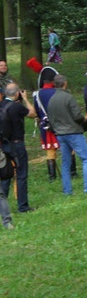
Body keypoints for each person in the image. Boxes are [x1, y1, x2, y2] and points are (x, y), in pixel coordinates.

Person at [46, 75, 87, 195]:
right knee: (86, 158)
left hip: (60, 134)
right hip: (74, 132)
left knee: (66, 163)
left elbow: (51, 119)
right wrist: (85, 119)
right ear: (65, 83)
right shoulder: (69, 98)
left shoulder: (52, 100)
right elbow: (77, 116)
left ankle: (67, 190)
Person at [0, 84, 37, 213]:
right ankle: (23, 206)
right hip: (17, 144)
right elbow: (33, 113)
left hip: (4, 144)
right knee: (21, 174)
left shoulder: (1, 105)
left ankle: (2, 206)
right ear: (17, 94)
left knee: (5, 175)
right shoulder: (17, 107)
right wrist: (26, 99)